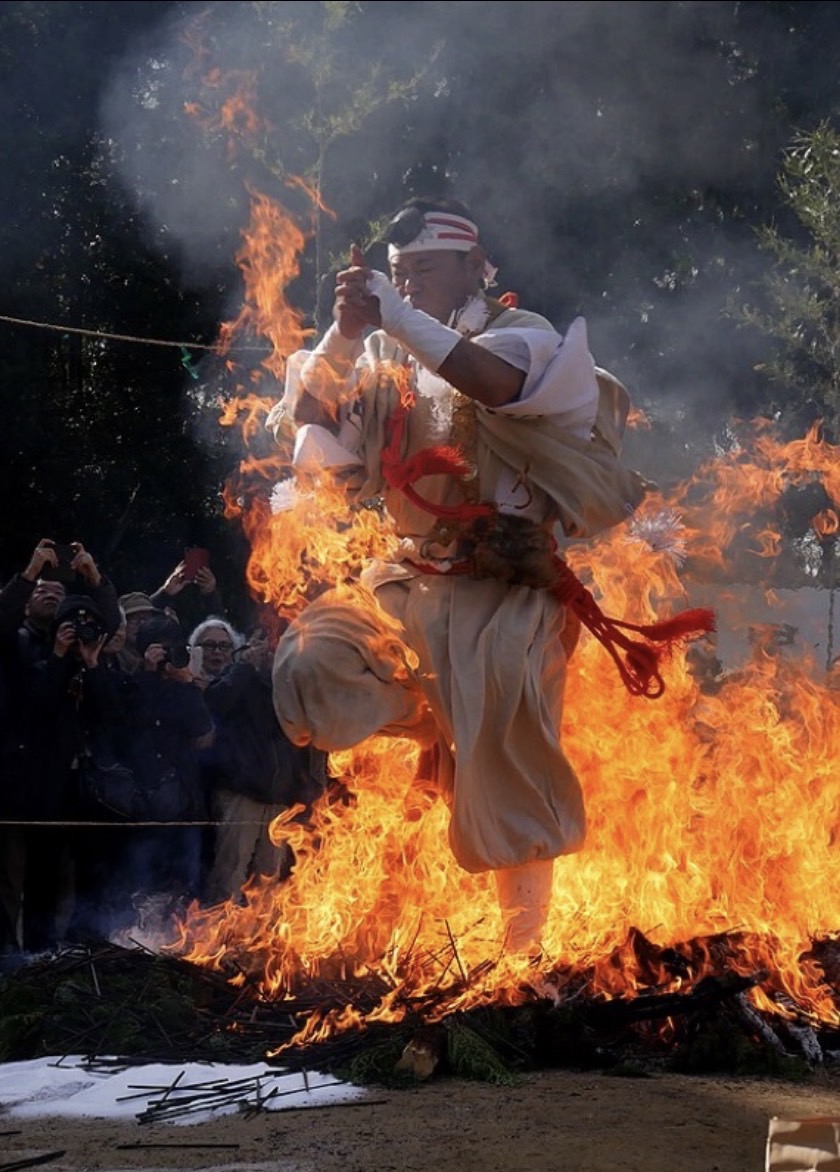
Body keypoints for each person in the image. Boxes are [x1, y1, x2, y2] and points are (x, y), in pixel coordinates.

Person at [267, 196, 711, 956]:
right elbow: (310, 416)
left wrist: (394, 319)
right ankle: (432, 728)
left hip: (504, 594)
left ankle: (522, 958)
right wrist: (346, 334)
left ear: (477, 268)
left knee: (506, 749)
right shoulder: (381, 357)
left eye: (425, 271)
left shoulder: (523, 337)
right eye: (399, 274)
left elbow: (492, 384)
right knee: (309, 662)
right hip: (404, 580)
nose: (406, 286)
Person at [201, 623, 327, 905]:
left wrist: (304, 791)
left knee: (268, 878)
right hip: (241, 793)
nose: (274, 648)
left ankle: (257, 940)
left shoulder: (292, 685)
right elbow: (213, 703)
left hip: (280, 799)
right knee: (229, 872)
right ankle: (217, 938)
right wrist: (246, 668)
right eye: (269, 641)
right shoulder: (239, 676)